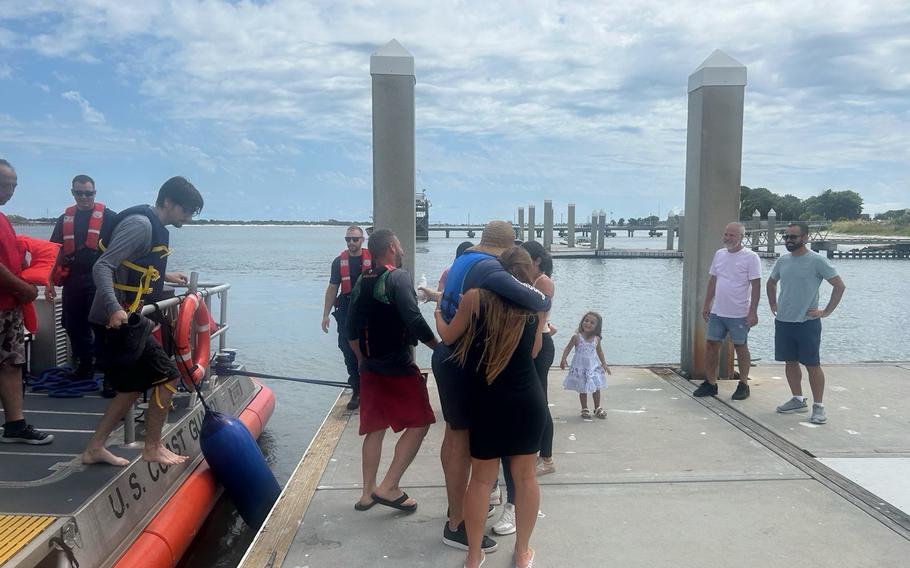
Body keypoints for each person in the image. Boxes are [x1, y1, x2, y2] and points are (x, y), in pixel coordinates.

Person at [420, 220, 550, 553]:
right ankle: (459, 524)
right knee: (466, 446)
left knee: (457, 438)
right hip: (464, 363)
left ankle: (460, 519)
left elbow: (452, 325)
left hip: (451, 357)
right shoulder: (488, 269)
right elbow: (537, 301)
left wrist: (436, 307)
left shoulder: (466, 262)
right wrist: (536, 291)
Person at [81, 176, 203, 466]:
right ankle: (152, 447)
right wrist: (113, 308)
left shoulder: (151, 227)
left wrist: (166, 276)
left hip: (129, 318)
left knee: (133, 385)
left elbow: (135, 265)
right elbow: (103, 265)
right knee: (168, 374)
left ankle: (94, 448)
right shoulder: (141, 225)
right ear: (170, 203)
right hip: (116, 319)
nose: (187, 218)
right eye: (186, 211)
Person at [345, 229, 437, 513]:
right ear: (392, 248)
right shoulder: (397, 278)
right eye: (399, 244)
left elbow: (350, 328)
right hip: (397, 366)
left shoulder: (363, 279)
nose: (402, 249)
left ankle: (367, 494)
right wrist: (440, 348)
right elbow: (414, 320)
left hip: (370, 366)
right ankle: (389, 486)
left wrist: (362, 359)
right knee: (421, 422)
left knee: (375, 427)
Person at [493, 240, 557, 536]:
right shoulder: (492, 299)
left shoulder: (535, 295)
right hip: (509, 375)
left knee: (521, 441)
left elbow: (537, 337)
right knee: (508, 448)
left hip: (524, 366)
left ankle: (514, 503)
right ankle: (504, 500)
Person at [767, 221, 846, 425]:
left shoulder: (817, 261)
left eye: (793, 237)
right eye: (786, 237)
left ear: (805, 237)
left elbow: (839, 286)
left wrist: (826, 312)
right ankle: (797, 399)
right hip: (784, 321)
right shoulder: (783, 260)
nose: (788, 240)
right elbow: (771, 282)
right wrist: (773, 303)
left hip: (807, 322)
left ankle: (818, 406)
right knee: (790, 361)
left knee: (812, 364)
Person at [0, 158, 53, 444]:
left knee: (11, 364)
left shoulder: (3, 219)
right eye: (4, 185)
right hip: (8, 300)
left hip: (10, 307)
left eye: (13, 185)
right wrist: (25, 288)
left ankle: (15, 425)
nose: (9, 191)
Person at [45, 175, 117, 380]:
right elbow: (55, 252)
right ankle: (85, 366)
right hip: (74, 279)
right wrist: (49, 281)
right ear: (73, 193)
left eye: (89, 193)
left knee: (105, 326)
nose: (84, 197)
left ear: (95, 192)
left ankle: (109, 374)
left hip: (100, 279)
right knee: (72, 324)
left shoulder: (110, 217)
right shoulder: (64, 219)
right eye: (79, 193)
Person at [693, 222, 761, 400]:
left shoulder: (751, 257)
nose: (728, 238)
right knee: (712, 345)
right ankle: (711, 383)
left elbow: (756, 285)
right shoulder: (719, 254)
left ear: (741, 237)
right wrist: (707, 303)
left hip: (739, 312)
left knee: (740, 346)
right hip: (718, 311)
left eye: (732, 235)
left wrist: (753, 311)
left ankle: (744, 384)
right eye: (726, 234)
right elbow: (713, 280)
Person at [321, 225, 371, 410]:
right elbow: (333, 287)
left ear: (362, 240)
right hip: (346, 309)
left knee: (370, 347)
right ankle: (356, 389)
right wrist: (325, 314)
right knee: (347, 348)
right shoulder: (338, 262)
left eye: (355, 239)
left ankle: (371, 386)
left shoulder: (372, 260)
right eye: (348, 239)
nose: (351, 242)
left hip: (367, 309)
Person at [560, 311, 612, 419]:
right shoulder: (577, 337)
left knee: (596, 387)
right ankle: (584, 408)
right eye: (586, 321)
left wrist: (604, 364)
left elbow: (600, 351)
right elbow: (568, 348)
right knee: (583, 388)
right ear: (582, 322)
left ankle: (597, 407)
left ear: (597, 327)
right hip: (581, 368)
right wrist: (564, 358)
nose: (588, 324)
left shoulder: (597, 339)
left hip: (593, 367)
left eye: (592, 323)